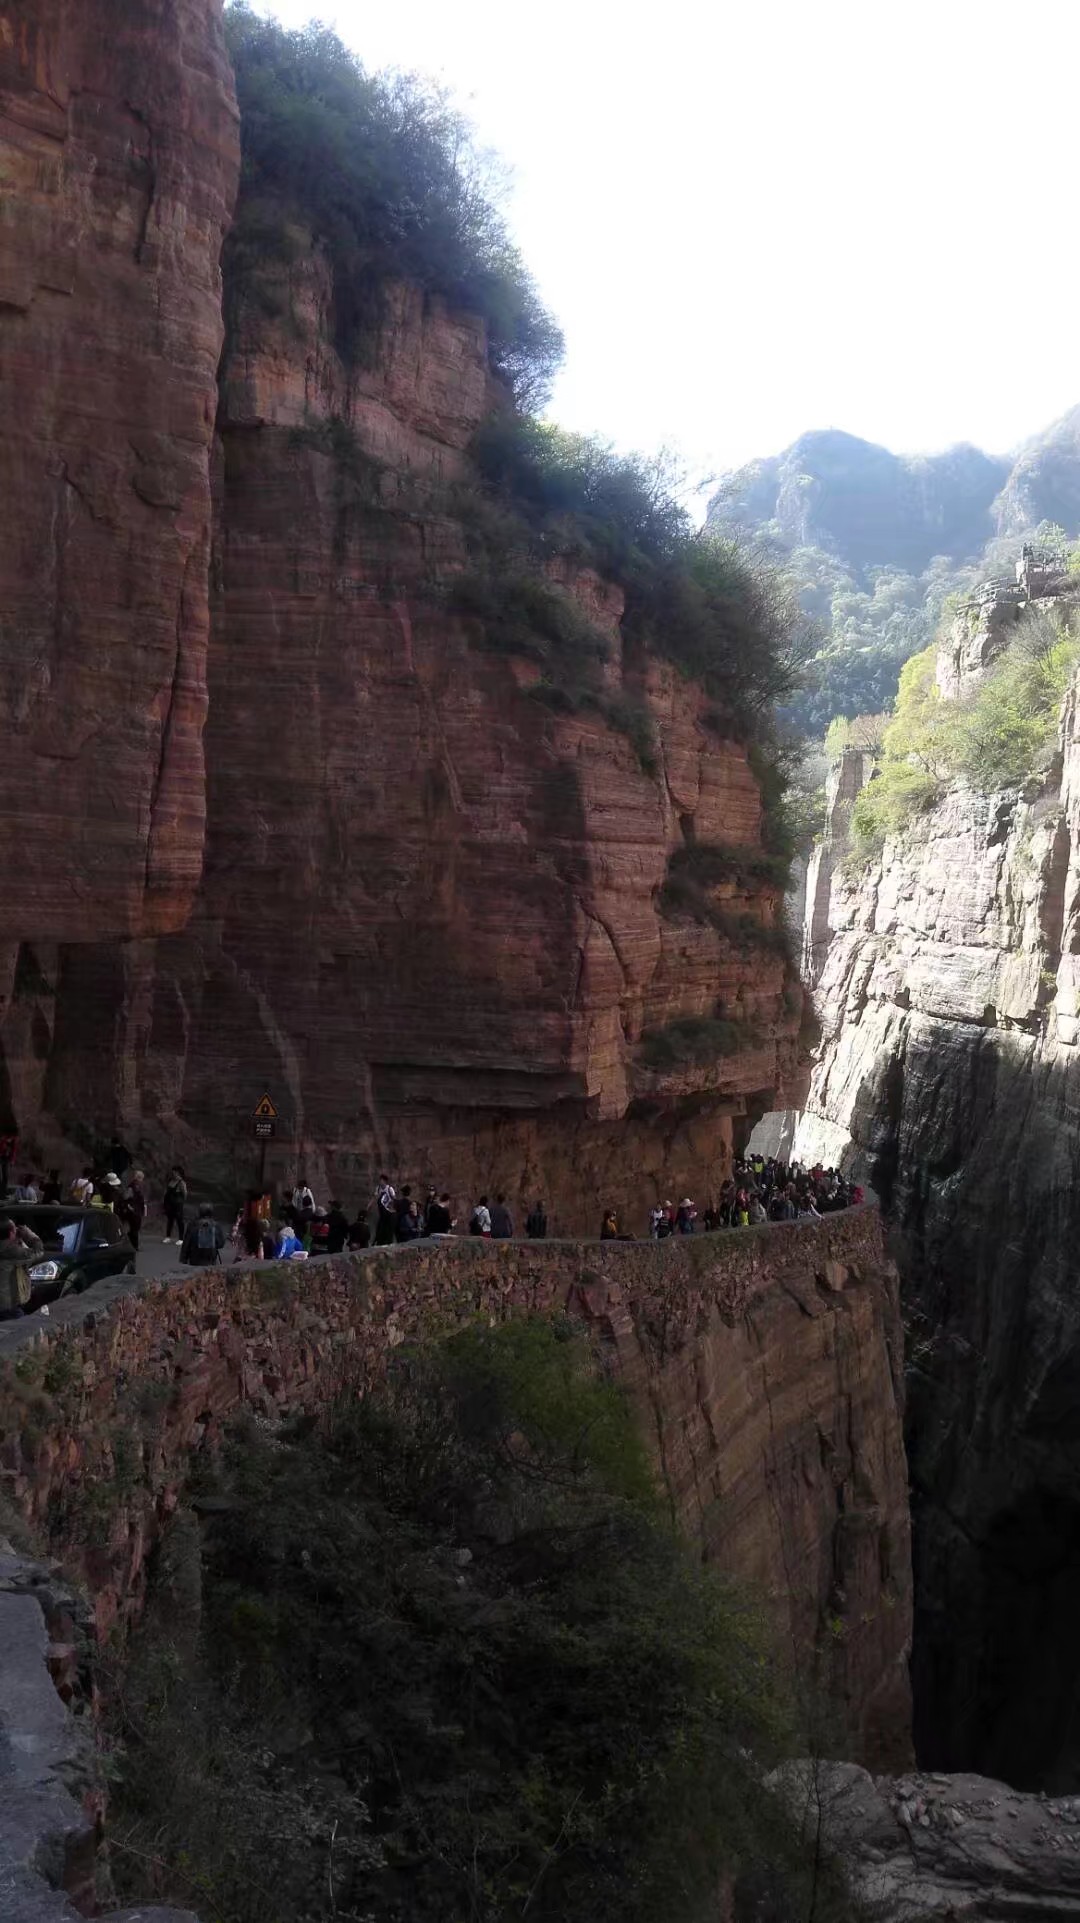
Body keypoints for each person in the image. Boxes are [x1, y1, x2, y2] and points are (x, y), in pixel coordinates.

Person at [179, 1202, 225, 1267]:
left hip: (194, 1259)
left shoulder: (192, 1225)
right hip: (210, 1259)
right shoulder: (216, 1225)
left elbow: (186, 1243)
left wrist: (183, 1259)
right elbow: (221, 1244)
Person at [123, 1171, 147, 1250]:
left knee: (136, 1228)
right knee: (134, 1228)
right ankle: (134, 1246)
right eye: (141, 1179)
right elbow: (126, 1197)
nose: (142, 1180)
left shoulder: (138, 1186)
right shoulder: (132, 1187)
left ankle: (127, 1240)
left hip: (138, 1209)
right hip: (133, 1210)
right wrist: (130, 1207)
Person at [163, 1166, 187, 1243]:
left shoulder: (181, 1182)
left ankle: (181, 1238)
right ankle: (168, 1236)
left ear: (178, 1173)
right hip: (170, 1204)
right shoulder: (171, 1181)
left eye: (175, 1172)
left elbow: (185, 1193)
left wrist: (181, 1202)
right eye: (173, 1172)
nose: (173, 1174)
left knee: (179, 1221)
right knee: (170, 1220)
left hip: (177, 1204)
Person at [375, 1175, 396, 1246]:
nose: (380, 1182)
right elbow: (375, 1198)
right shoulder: (378, 1188)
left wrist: (391, 1205)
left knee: (387, 1228)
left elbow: (394, 1199)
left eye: (381, 1180)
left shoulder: (390, 1188)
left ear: (384, 1181)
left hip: (388, 1212)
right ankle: (378, 1241)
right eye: (379, 1180)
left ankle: (388, 1242)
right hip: (381, 1211)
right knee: (380, 1228)